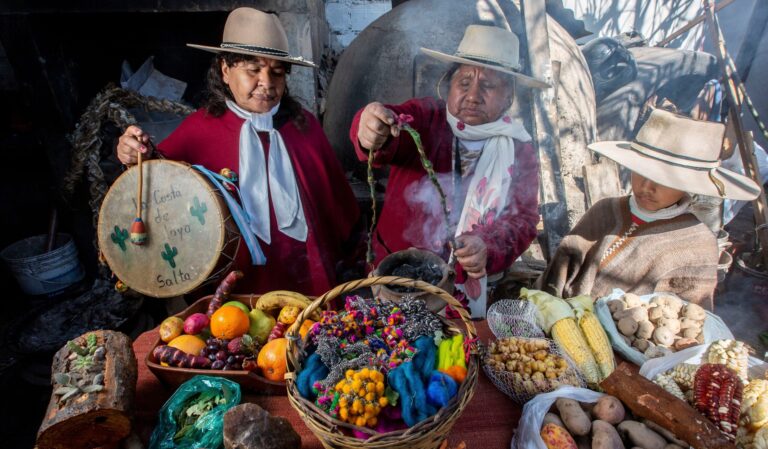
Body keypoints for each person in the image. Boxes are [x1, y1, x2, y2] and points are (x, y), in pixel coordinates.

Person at [116, 8, 360, 296]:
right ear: (225, 70)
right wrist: (133, 155)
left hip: (309, 277)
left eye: (277, 72)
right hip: (233, 289)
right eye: (253, 70)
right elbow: (160, 183)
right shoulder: (199, 130)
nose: (267, 83)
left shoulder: (304, 126)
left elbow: (341, 210)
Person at [350, 25, 549, 315]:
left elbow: (524, 220)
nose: (473, 95)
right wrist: (370, 126)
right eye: (464, 82)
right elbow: (388, 126)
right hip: (397, 279)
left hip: (461, 291)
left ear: (508, 97)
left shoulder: (519, 149)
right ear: (449, 84)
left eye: (488, 85)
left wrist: (487, 246)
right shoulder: (425, 117)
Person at [537, 108, 761, 309]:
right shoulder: (606, 210)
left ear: (689, 185)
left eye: (663, 180)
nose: (646, 187)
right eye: (640, 172)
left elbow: (690, 318)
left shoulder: (697, 244)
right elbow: (559, 271)